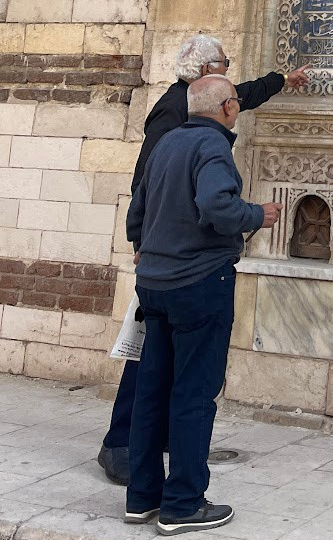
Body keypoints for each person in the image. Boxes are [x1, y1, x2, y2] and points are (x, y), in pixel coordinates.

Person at [98, 34, 307, 484]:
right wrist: (143, 245)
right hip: (171, 260)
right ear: (209, 71)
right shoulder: (173, 115)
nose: (230, 78)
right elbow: (148, 182)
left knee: (163, 359)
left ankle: (150, 462)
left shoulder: (202, 106)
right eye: (225, 65)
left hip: (165, 258)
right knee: (150, 360)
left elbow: (241, 96)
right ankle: (121, 444)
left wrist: (281, 81)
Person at [124, 73, 282, 534]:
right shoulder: (213, 147)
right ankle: (183, 504)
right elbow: (217, 206)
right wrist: (258, 214)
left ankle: (142, 498)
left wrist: (146, 247)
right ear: (228, 108)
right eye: (235, 101)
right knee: (193, 394)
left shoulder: (168, 143)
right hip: (198, 283)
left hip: (154, 283)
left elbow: (137, 212)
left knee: (153, 391)